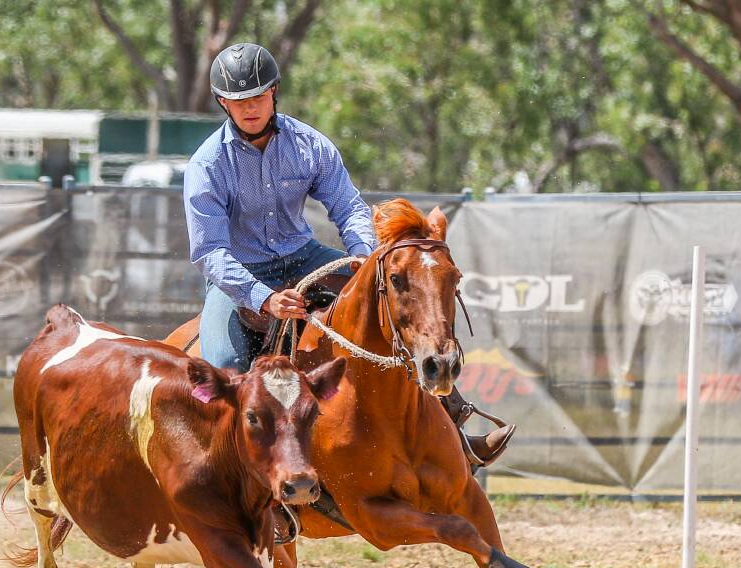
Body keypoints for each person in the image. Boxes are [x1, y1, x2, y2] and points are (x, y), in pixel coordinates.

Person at [183, 42, 512, 466]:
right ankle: (238, 478)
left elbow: (348, 206)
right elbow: (209, 251)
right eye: (239, 100)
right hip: (239, 274)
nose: (250, 107)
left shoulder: (309, 144)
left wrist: (362, 256)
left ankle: (455, 424)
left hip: (302, 254)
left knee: (389, 307)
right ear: (222, 102)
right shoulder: (208, 164)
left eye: (259, 96)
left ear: (275, 92)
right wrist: (263, 297)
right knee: (226, 365)